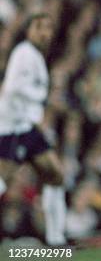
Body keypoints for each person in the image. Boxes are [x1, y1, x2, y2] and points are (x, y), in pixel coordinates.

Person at [0, 13, 67, 245]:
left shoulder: (36, 56)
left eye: (48, 28)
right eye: (39, 27)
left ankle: (56, 240)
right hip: (14, 127)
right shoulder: (24, 53)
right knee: (2, 180)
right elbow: (11, 87)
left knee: (56, 175)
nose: (44, 33)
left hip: (29, 129)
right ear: (29, 30)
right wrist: (42, 96)